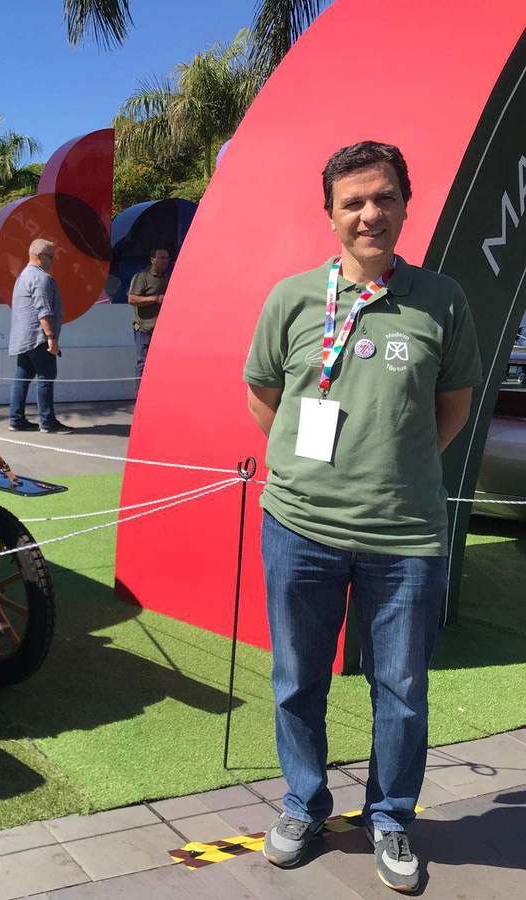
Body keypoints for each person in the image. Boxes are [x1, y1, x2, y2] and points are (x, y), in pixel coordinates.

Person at [244, 141, 482, 894]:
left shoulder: (442, 299)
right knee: (296, 679)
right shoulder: (290, 298)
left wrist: (392, 469)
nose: (369, 214)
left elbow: (453, 409)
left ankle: (389, 817)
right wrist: (315, 473)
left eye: (382, 198)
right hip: (299, 527)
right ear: (332, 215)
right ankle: (305, 804)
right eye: (353, 202)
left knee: (403, 688)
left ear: (405, 204)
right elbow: (262, 395)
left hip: (405, 536)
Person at [7, 238, 73, 435]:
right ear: (38, 256)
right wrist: (51, 338)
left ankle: (16, 419)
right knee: (47, 377)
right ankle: (47, 421)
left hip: (23, 338)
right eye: (50, 256)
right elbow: (43, 310)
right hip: (38, 337)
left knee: (22, 377)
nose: (53, 259)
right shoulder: (40, 278)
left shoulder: (23, 276)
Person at [127, 248, 171, 379]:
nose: (165, 261)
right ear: (152, 260)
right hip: (144, 328)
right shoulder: (142, 277)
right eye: (161, 258)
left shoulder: (166, 278)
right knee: (143, 363)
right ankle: (139, 397)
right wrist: (155, 299)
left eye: (167, 258)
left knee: (159, 364)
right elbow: (132, 299)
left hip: (161, 329)